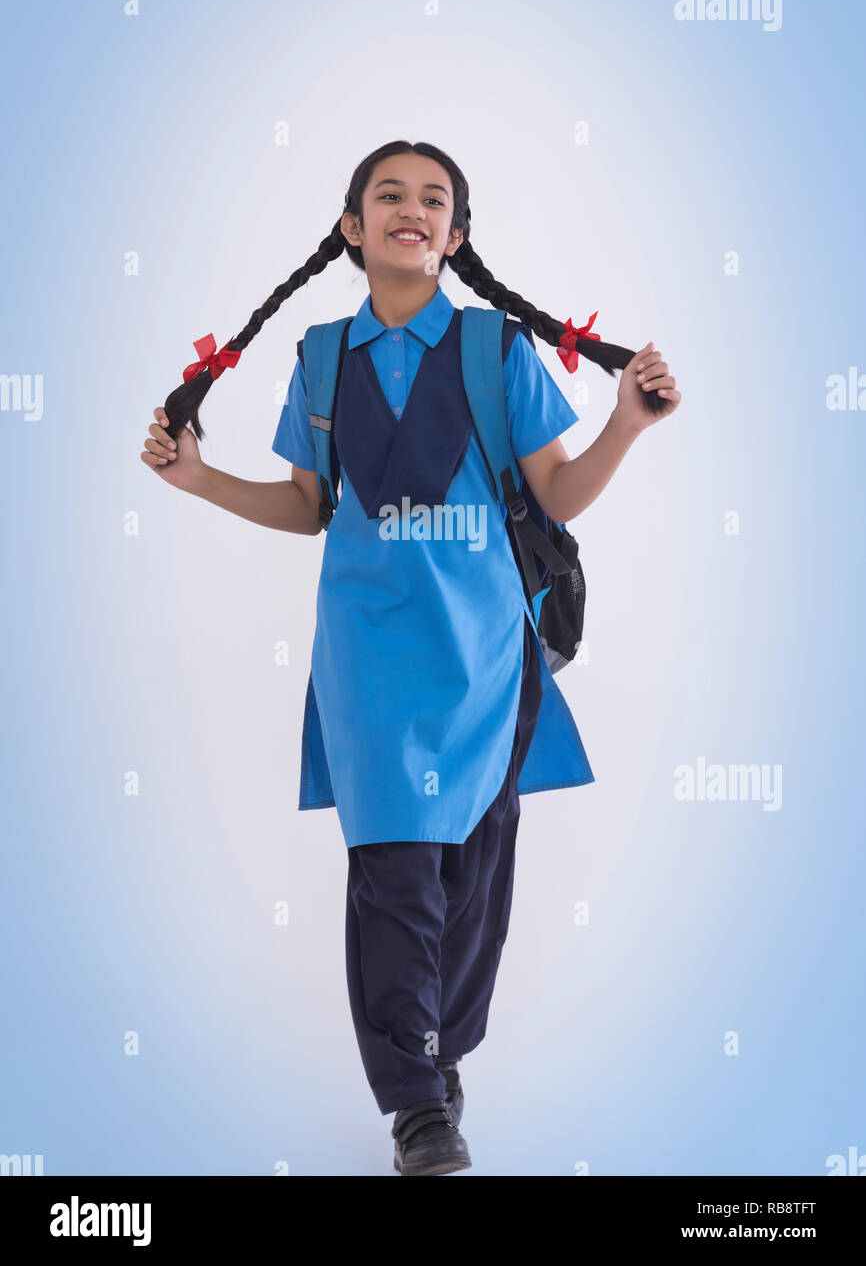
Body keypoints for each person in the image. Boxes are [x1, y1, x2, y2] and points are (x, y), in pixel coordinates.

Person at [140, 139, 681, 1175]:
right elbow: (308, 506)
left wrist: (624, 427)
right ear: (351, 228)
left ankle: (440, 1056)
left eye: (433, 199)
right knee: (393, 874)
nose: (410, 208)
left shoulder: (495, 351)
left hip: (486, 659)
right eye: (387, 193)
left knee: (470, 880)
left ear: (455, 235)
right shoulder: (318, 358)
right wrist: (201, 482)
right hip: (369, 664)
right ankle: (418, 1107)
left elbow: (555, 496)